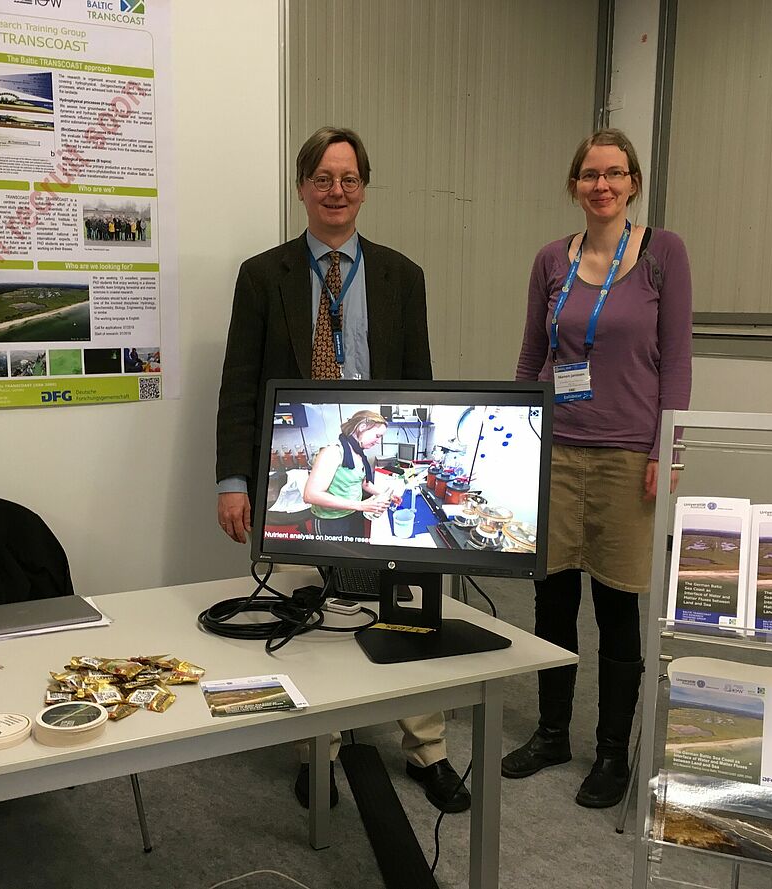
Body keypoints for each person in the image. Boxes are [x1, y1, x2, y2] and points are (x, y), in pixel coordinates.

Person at [215, 126, 468, 814]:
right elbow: (239, 384)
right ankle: (316, 751)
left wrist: (413, 471)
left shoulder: (400, 275)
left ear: (364, 187)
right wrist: (234, 480)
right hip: (300, 473)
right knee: (305, 609)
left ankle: (428, 749)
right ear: (302, 187)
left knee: (410, 608)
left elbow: (422, 384)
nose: (336, 191)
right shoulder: (263, 275)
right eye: (323, 179)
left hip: (381, 465)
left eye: (348, 178)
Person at [506, 128, 692, 808]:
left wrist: (664, 451)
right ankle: (553, 730)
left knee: (616, 603)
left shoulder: (663, 254)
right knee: (552, 596)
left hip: (624, 455)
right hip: (556, 446)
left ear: (633, 183)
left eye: (615, 173)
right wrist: (516, 437)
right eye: (589, 174)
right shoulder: (551, 259)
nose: (602, 184)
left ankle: (610, 751)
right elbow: (532, 355)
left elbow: (676, 361)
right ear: (574, 185)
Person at [303, 410, 399, 540]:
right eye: (377, 435)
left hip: (353, 513)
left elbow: (363, 483)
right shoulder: (333, 452)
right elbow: (310, 495)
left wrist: (386, 495)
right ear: (362, 427)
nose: (378, 441)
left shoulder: (358, 453)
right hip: (330, 521)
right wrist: (361, 505)